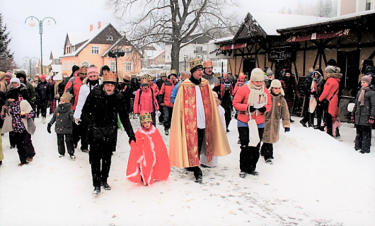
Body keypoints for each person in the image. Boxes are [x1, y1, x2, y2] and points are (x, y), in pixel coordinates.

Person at [169, 58, 231, 183]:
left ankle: (193, 162)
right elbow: (179, 105)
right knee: (192, 144)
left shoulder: (204, 84)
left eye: (201, 69)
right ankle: (196, 169)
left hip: (203, 119)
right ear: (192, 72)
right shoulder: (184, 86)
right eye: (198, 70)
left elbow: (210, 101)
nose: (200, 72)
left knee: (200, 142)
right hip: (190, 120)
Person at [81, 70, 135, 194]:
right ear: (103, 85)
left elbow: (124, 116)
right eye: (107, 85)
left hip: (110, 130)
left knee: (107, 158)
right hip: (96, 129)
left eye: (112, 85)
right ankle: (96, 184)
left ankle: (104, 180)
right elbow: (85, 112)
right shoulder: (95, 94)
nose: (110, 88)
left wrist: (131, 134)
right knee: (95, 158)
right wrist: (90, 126)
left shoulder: (118, 96)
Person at [233, 68, 272, 178]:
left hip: (259, 122)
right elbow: (235, 103)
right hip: (244, 121)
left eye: (261, 81)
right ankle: (243, 168)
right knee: (245, 145)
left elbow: (269, 104)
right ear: (252, 80)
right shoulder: (244, 89)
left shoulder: (265, 91)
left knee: (256, 145)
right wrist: (247, 107)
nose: (259, 84)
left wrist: (265, 109)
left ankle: (252, 167)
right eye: (257, 81)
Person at [126, 112, 170, 186]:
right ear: (142, 123)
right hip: (143, 154)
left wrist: (158, 151)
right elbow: (135, 140)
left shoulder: (154, 131)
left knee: (153, 165)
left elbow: (159, 142)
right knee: (143, 166)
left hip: (152, 154)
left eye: (148, 122)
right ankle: (144, 177)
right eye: (145, 122)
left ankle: (152, 176)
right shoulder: (139, 132)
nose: (147, 124)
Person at [1, 88, 36, 166]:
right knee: (19, 145)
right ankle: (23, 160)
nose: (9, 100)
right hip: (15, 129)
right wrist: (3, 112)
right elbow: (4, 118)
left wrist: (25, 115)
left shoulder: (23, 103)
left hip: (24, 127)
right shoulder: (8, 106)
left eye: (11, 98)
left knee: (26, 142)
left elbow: (32, 113)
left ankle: (30, 155)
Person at [73, 66, 102, 153]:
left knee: (99, 130)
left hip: (99, 112)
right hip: (87, 112)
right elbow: (80, 102)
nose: (93, 78)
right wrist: (77, 115)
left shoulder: (102, 86)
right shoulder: (84, 88)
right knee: (85, 130)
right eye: (91, 76)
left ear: (97, 76)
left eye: (94, 76)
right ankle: (84, 146)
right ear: (88, 77)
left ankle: (99, 147)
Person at [261, 80, 290, 164]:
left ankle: (268, 155)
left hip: (275, 122)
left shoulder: (282, 100)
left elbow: (285, 113)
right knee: (265, 137)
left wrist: (286, 124)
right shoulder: (266, 97)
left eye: (278, 88)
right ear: (272, 88)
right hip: (265, 121)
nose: (277, 90)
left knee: (270, 138)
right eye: (275, 88)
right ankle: (266, 153)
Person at [65, 66, 87, 151]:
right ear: (79, 74)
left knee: (85, 128)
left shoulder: (89, 81)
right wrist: (65, 102)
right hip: (75, 106)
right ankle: (74, 141)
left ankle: (84, 146)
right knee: (75, 127)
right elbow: (67, 91)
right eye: (82, 74)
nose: (84, 75)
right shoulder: (74, 80)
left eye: (85, 74)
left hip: (86, 108)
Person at [200, 92, 225, 167]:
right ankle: (204, 161)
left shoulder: (220, 109)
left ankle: (212, 162)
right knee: (205, 144)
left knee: (214, 145)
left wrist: (223, 129)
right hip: (206, 128)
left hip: (215, 129)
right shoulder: (205, 107)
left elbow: (222, 120)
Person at [47, 92, 75, 159]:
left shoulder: (69, 110)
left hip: (67, 128)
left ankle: (71, 153)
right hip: (59, 127)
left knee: (69, 141)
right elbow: (54, 117)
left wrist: (75, 121)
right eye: (60, 100)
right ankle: (61, 152)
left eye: (63, 101)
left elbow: (72, 118)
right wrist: (49, 124)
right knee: (60, 141)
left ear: (67, 102)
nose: (61, 102)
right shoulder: (58, 109)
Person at [351, 76, 374, 154]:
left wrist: (372, 116)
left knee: (366, 133)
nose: (362, 84)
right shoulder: (359, 92)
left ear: (368, 83)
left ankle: (365, 149)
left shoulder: (371, 93)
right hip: (359, 115)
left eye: (364, 82)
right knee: (358, 133)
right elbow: (356, 104)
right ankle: (357, 147)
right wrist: (353, 113)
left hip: (366, 115)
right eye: (361, 82)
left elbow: (373, 105)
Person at [319, 66, 342, 136]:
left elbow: (326, 92)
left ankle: (329, 132)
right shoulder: (336, 80)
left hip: (330, 100)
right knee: (331, 116)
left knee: (328, 117)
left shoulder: (330, 80)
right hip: (334, 99)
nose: (325, 73)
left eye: (326, 72)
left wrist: (320, 99)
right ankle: (332, 131)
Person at [158, 70, 178, 135]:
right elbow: (161, 93)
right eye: (172, 76)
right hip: (166, 103)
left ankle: (173, 129)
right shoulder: (166, 83)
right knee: (166, 116)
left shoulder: (178, 84)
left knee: (173, 117)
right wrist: (161, 101)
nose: (173, 77)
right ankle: (166, 128)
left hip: (175, 104)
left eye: (174, 76)